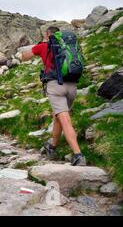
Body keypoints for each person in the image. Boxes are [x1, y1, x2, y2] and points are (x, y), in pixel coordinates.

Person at [17, 26, 86, 166]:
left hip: (55, 86)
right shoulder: (68, 46)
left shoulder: (44, 45)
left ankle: (78, 155)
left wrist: (43, 42)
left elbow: (24, 57)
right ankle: (52, 147)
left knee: (64, 119)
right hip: (72, 85)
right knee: (58, 117)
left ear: (48, 34)